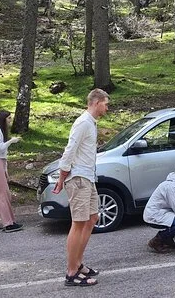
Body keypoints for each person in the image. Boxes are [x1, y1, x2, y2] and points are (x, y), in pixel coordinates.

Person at [53, 88, 109, 287]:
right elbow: (70, 150)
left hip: (88, 177)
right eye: (105, 104)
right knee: (78, 223)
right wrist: (62, 178)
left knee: (92, 218)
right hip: (78, 178)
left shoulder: (91, 123)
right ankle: (71, 272)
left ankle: (78, 264)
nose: (107, 108)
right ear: (96, 102)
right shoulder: (83, 122)